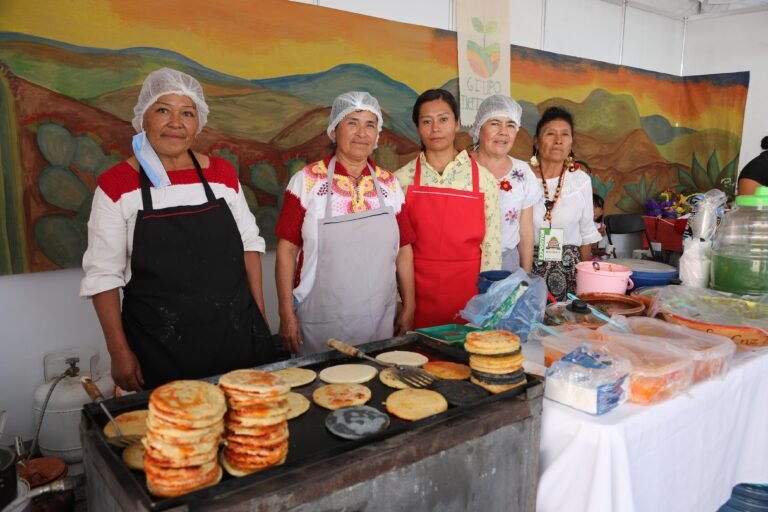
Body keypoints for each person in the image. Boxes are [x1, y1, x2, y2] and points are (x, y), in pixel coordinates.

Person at [80, 68, 277, 391]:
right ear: (143, 118)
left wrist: (259, 321)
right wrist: (119, 352)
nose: (176, 123)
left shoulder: (221, 174)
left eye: (187, 113)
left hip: (236, 337)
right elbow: (103, 276)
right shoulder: (117, 185)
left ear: (198, 123)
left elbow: (249, 246)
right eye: (163, 110)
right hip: (159, 348)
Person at [275, 91, 416, 355]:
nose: (361, 132)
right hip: (322, 321)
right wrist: (285, 313)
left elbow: (404, 249)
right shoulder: (306, 182)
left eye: (370, 124)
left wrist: (409, 306)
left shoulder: (389, 184)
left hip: (379, 320)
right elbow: (286, 250)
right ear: (334, 130)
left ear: (378, 136)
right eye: (352, 122)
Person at [396, 89, 501, 328]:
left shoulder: (484, 180)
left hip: (470, 298)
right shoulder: (400, 181)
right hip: (416, 297)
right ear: (418, 128)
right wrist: (400, 302)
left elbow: (492, 247)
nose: (435, 128)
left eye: (443, 119)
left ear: (457, 124)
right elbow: (393, 250)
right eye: (426, 121)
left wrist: (487, 301)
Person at [529, 106, 601, 300]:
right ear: (537, 141)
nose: (558, 140)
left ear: (571, 142)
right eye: (550, 133)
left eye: (565, 134)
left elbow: (586, 234)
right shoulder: (522, 178)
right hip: (528, 270)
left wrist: (588, 287)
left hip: (569, 272)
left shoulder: (580, 180)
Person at [469, 95, 541, 272]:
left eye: (510, 125)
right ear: (479, 128)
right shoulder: (459, 168)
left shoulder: (523, 173)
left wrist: (525, 274)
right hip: (464, 261)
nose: (503, 131)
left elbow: (525, 230)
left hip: (506, 264)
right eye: (494, 123)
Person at [592, 193, 608, 258]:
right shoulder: (577, 226)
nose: (593, 210)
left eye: (596, 207)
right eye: (590, 206)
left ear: (601, 212)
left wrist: (601, 233)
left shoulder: (599, 226)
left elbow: (595, 247)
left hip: (594, 256)